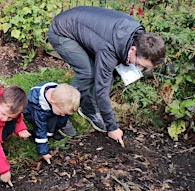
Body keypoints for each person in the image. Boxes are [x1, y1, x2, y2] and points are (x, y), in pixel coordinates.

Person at [47, 6, 165, 147]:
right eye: (140, 64)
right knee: (88, 73)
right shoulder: (109, 48)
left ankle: (87, 109)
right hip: (62, 31)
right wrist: (112, 127)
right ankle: (58, 115)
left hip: (84, 28)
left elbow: (109, 73)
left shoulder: (137, 35)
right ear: (133, 50)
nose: (139, 68)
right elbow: (101, 91)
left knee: (102, 73)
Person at [23, 82, 80, 165]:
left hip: (51, 110)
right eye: (62, 113)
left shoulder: (59, 96)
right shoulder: (39, 108)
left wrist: (62, 116)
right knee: (45, 128)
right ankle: (47, 133)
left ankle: (60, 125)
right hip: (32, 114)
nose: (63, 114)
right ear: (53, 103)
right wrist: (44, 152)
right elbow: (40, 128)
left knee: (60, 116)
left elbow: (62, 111)